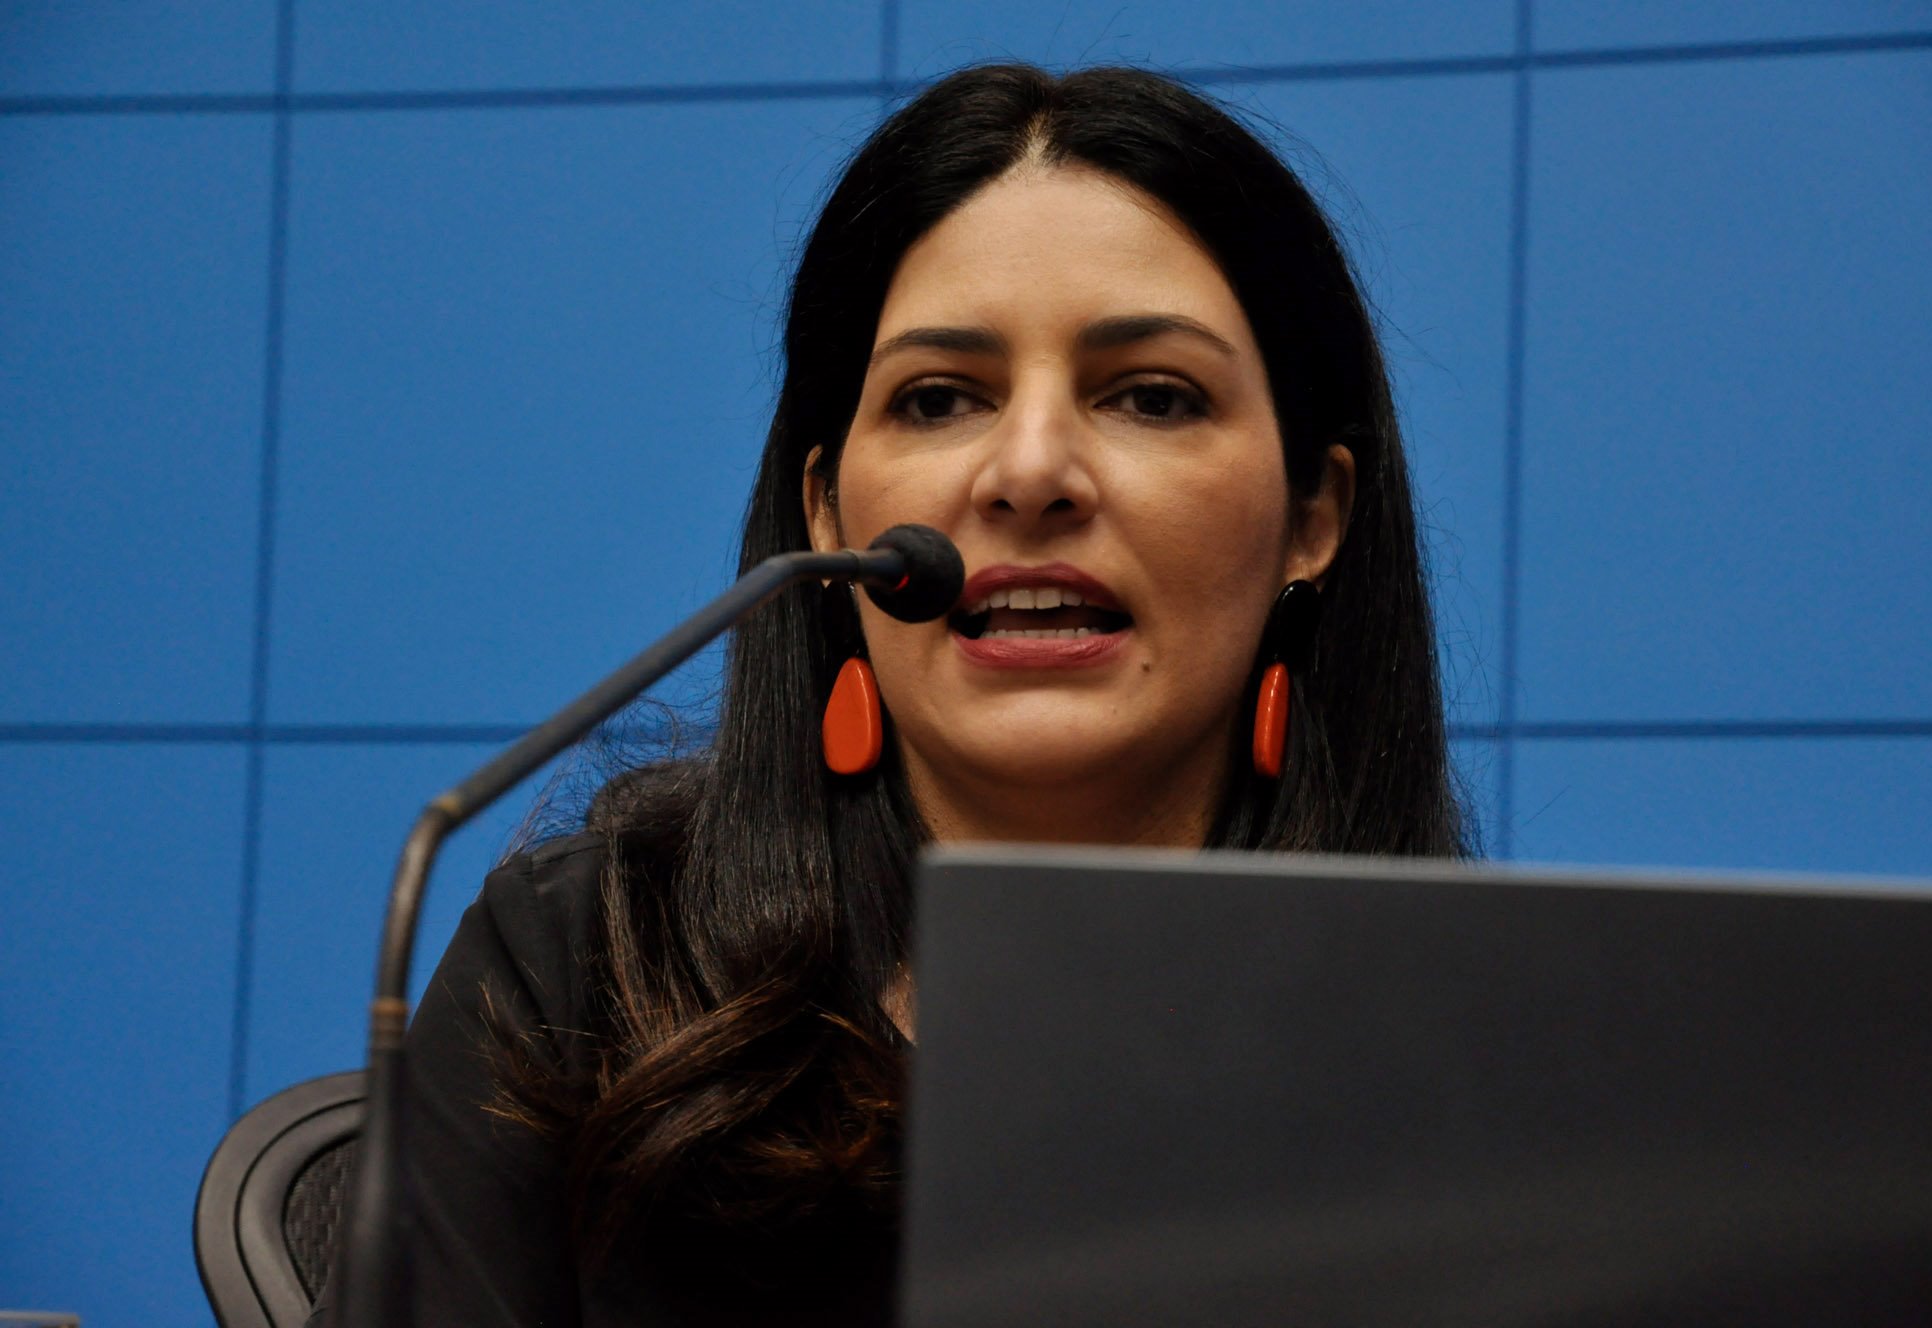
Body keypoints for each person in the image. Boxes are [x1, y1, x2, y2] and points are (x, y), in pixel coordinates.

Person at [311, 61, 1471, 1327]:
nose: (1030, 471)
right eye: (938, 399)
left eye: (1149, 395)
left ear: (1312, 516)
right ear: (825, 511)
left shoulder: (1462, 1047)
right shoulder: (593, 965)